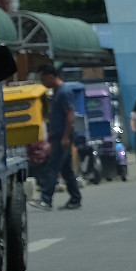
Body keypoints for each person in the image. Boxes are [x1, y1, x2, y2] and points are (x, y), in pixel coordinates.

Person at [35, 69, 84, 211]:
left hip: (63, 136)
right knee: (67, 169)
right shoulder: (57, 92)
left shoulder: (64, 92)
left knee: (53, 166)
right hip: (58, 135)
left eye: (44, 80)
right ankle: (75, 198)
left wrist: (65, 137)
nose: (44, 83)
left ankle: (46, 199)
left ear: (51, 76)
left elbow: (70, 115)